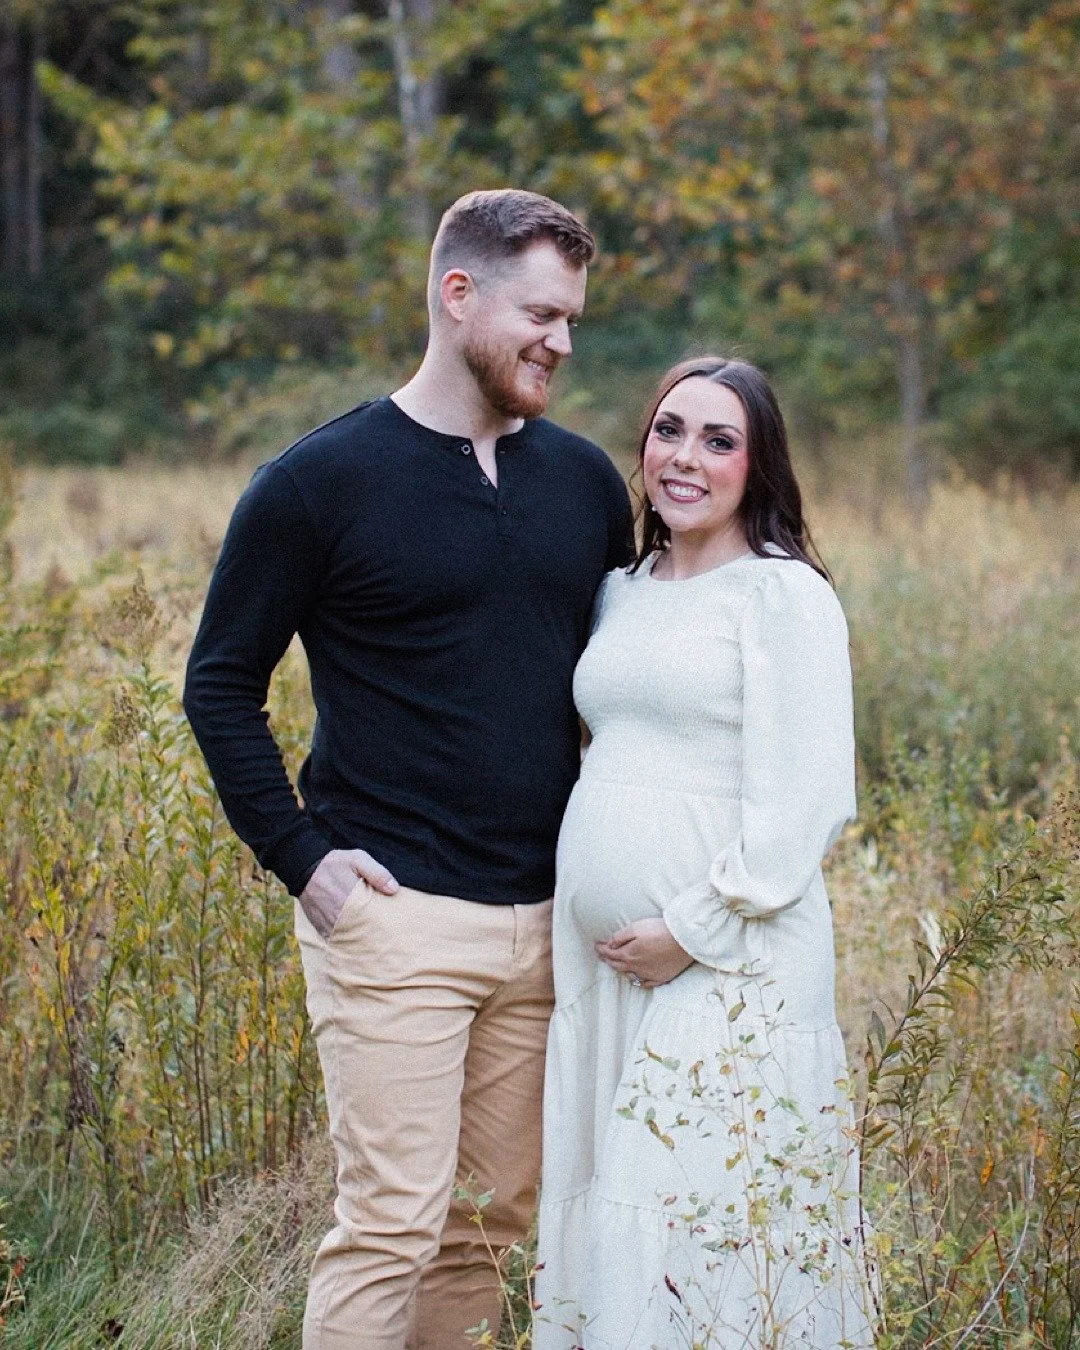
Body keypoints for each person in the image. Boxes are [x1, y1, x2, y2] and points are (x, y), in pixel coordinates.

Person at [183, 189, 634, 1350]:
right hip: (393, 919)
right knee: (388, 1224)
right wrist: (303, 861)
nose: (563, 343)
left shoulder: (584, 484)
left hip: (546, 925)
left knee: (486, 1232)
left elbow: (628, 685)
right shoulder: (318, 482)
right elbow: (220, 681)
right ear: (458, 293)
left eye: (575, 320)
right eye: (543, 313)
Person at [535, 357, 877, 1348]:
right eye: (669, 430)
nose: (685, 457)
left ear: (757, 467)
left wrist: (689, 930)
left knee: (701, 1233)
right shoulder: (620, 592)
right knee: (619, 1226)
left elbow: (806, 805)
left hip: (731, 965)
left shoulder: (783, 599)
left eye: (719, 440)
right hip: (606, 982)